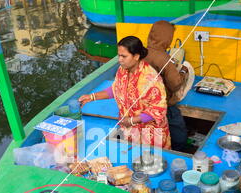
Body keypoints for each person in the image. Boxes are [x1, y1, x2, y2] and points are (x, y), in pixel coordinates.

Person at [79, 36, 171, 149]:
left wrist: (132, 120)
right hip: (129, 127)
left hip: (150, 134)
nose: (120, 60)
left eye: (124, 56)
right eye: (119, 55)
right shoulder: (122, 70)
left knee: (149, 162)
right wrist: (92, 97)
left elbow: (158, 110)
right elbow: (115, 89)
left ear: (136, 56)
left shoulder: (150, 79)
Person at [144, 20, 195, 152]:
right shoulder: (164, 59)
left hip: (143, 103)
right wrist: (183, 71)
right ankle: (179, 151)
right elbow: (175, 84)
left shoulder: (141, 52)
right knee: (178, 130)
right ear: (167, 39)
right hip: (163, 105)